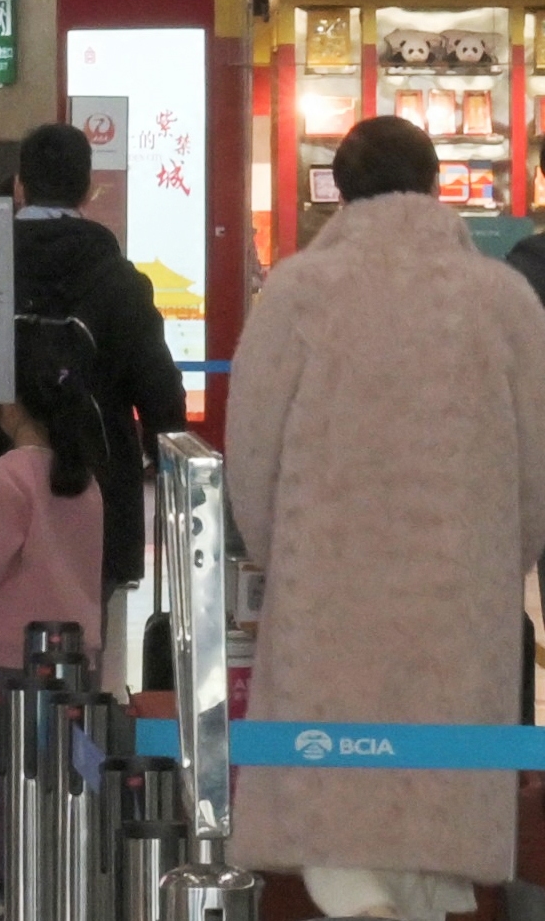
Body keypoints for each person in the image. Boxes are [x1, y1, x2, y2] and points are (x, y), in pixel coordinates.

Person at [226, 113, 545, 921]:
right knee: (435, 799)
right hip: (457, 598)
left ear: (338, 189)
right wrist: (495, 563)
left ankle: (356, 896)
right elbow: (537, 471)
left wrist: (281, 559)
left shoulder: (294, 292)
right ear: (437, 184)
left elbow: (251, 457)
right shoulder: (501, 298)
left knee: (337, 796)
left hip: (327, 599)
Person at [0, 320, 116, 915]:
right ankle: (70, 864)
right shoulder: (82, 479)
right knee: (69, 764)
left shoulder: (2, 480)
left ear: (11, 398)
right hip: (73, 651)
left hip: (5, 656)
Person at [6, 117, 188, 588]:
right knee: (88, 631)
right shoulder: (118, 280)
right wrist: (166, 459)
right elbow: (157, 387)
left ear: (20, 186)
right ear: (88, 189)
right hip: (95, 476)